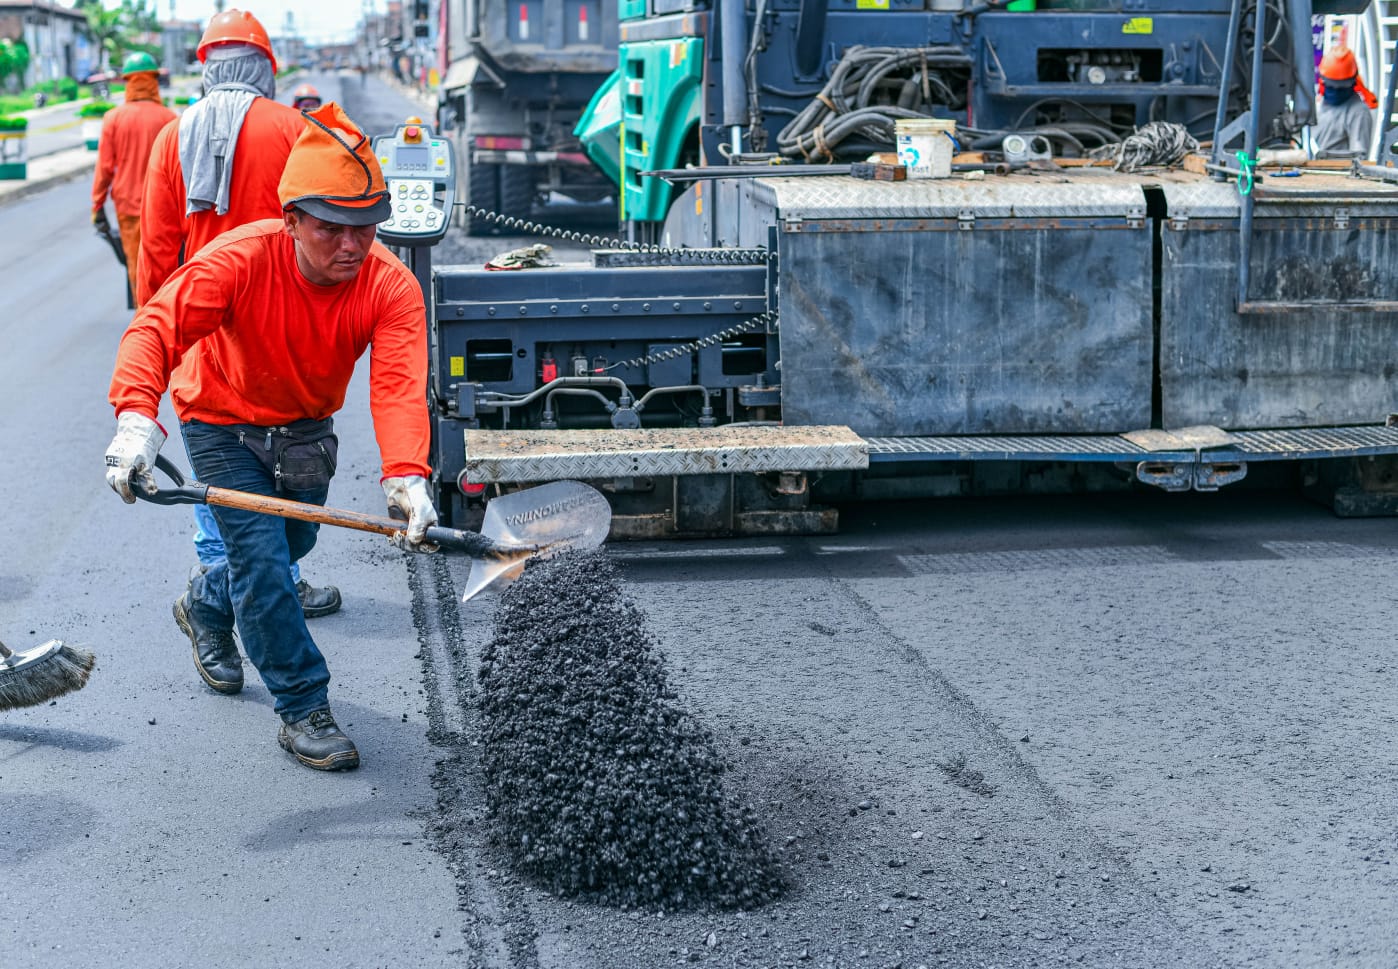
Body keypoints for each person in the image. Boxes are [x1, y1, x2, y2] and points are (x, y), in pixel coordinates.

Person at [105, 102, 438, 771]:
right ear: (291, 220)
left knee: (294, 540)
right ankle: (303, 706)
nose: (350, 245)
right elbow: (154, 329)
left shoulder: (390, 286)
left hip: (305, 426)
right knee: (263, 564)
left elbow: (399, 385)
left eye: (366, 229)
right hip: (220, 415)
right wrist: (137, 419)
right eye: (331, 229)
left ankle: (204, 601)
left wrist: (406, 474)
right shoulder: (239, 259)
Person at [137, 7, 341, 618]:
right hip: (283, 324)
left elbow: (155, 247)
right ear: (266, 69)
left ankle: (222, 582)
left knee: (216, 455)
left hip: (202, 328)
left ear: (206, 70)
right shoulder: (292, 130)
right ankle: (269, 581)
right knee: (285, 453)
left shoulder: (173, 136)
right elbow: (322, 233)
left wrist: (159, 331)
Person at [90, 52, 176, 298]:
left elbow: (105, 167)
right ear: (154, 81)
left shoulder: (113, 119)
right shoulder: (170, 119)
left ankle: (144, 322)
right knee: (166, 269)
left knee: (137, 268)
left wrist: (97, 204)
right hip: (166, 209)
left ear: (128, 82)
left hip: (128, 206)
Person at [1315, 46, 1377, 157]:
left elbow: (1359, 157)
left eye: (1340, 87)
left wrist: (1325, 157)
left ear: (1353, 82)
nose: (1335, 90)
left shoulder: (1358, 112)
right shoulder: (1319, 103)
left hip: (1337, 172)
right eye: (1331, 85)